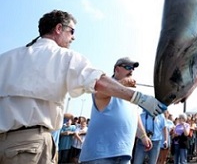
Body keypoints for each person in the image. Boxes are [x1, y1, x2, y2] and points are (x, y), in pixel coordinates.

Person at [0, 10, 166, 164]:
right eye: (72, 31)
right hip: (29, 146)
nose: (73, 38)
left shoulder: (6, 58)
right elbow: (97, 82)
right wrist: (140, 98)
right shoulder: (64, 57)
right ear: (59, 28)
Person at [79, 57, 155, 164]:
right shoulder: (103, 86)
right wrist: (122, 83)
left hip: (124, 153)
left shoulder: (130, 93)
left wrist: (143, 136)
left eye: (133, 68)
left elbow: (134, 115)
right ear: (117, 69)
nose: (131, 71)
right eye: (128, 67)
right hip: (100, 155)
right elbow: (99, 95)